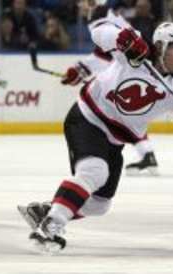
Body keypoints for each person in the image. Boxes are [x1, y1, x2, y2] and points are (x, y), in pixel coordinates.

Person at [17, 1, 173, 252]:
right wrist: (121, 38)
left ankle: (47, 210)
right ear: (161, 46)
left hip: (115, 139)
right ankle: (50, 226)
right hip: (88, 117)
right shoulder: (136, 49)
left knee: (100, 204)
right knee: (94, 171)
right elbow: (99, 32)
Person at [60, 0, 159, 176]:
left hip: (131, 67)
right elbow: (107, 53)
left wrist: (79, 69)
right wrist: (81, 70)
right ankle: (147, 154)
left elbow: (103, 56)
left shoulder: (99, 17)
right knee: (124, 115)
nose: (79, 5)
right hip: (137, 66)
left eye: (83, 2)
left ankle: (133, 155)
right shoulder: (107, 14)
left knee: (113, 111)